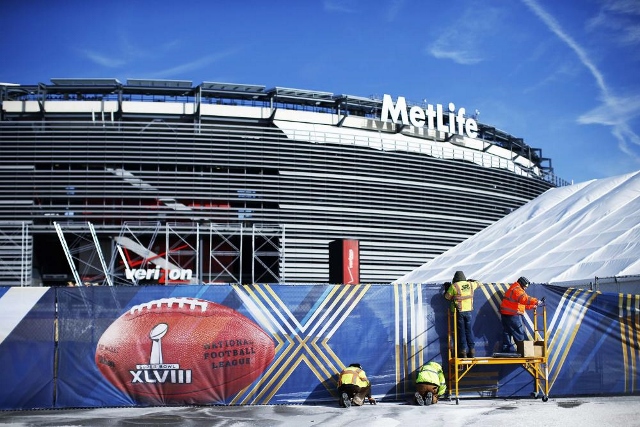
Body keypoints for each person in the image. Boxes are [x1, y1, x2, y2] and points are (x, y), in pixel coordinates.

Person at [499, 276, 543, 353]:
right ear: (521, 283)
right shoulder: (517, 290)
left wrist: (532, 306)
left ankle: (505, 352)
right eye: (525, 286)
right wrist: (536, 301)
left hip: (506, 314)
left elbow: (519, 304)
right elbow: (524, 299)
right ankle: (523, 352)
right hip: (513, 315)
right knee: (518, 333)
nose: (526, 288)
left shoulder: (513, 288)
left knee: (507, 333)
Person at [444, 271, 480, 358]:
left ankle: (463, 352)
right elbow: (478, 283)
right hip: (468, 311)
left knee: (462, 332)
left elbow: (447, 297)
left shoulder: (454, 286)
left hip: (459, 312)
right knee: (469, 331)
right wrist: (472, 281)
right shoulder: (470, 284)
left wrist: (446, 289)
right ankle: (472, 351)